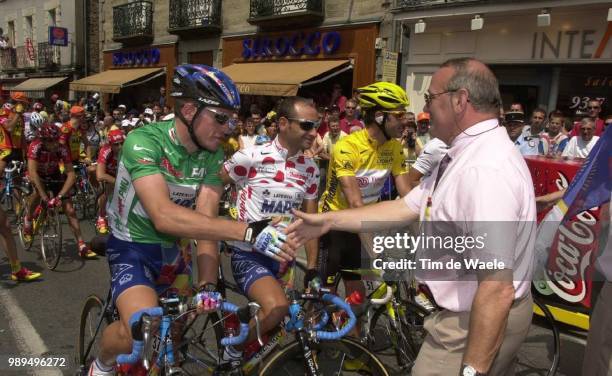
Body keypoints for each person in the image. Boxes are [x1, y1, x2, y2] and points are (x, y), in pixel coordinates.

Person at [288, 58, 536, 376]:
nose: (423, 109)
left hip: (472, 322)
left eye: (430, 97)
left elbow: (497, 286)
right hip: (470, 314)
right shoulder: (466, 153)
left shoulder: (482, 169)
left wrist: (472, 371)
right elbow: (408, 205)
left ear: (460, 100)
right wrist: (328, 220)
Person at [89, 64, 297, 376]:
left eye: (232, 119)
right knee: (142, 327)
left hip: (175, 252)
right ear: (189, 109)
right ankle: (101, 366)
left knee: (175, 333)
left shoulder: (211, 154)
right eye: (221, 117)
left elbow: (206, 221)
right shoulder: (144, 142)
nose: (228, 128)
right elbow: (162, 216)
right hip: (133, 249)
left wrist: (208, 282)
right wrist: (247, 231)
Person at [219, 96, 320, 369]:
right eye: (307, 125)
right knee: (276, 308)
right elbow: (213, 184)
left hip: (283, 258)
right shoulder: (250, 156)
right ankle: (233, 349)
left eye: (317, 125)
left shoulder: (311, 168)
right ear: (284, 124)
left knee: (283, 324)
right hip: (248, 255)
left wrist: (312, 267)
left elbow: (311, 221)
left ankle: (248, 346)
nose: (314, 132)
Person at [313, 81, 411, 302]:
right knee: (322, 298)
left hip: (362, 225)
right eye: (399, 115)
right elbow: (355, 203)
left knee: (357, 296)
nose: (405, 121)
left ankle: (354, 337)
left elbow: (408, 195)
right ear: (379, 116)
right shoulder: (347, 147)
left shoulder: (394, 147)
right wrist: (375, 254)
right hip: (333, 225)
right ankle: (309, 327)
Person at [24, 123, 97, 259]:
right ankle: (28, 218)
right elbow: (33, 173)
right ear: (43, 140)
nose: (55, 144)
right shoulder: (35, 146)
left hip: (54, 173)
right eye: (51, 141)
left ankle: (81, 244)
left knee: (70, 209)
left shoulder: (61, 148)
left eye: (57, 139)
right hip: (38, 174)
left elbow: (70, 175)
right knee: (36, 194)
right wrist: (45, 197)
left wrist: (60, 196)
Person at [95, 129, 125, 234]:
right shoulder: (105, 150)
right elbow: (100, 175)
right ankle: (101, 216)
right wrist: (118, 182)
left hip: (121, 174)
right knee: (107, 190)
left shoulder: (128, 150)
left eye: (122, 143)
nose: (120, 147)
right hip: (108, 174)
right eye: (116, 144)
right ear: (111, 145)